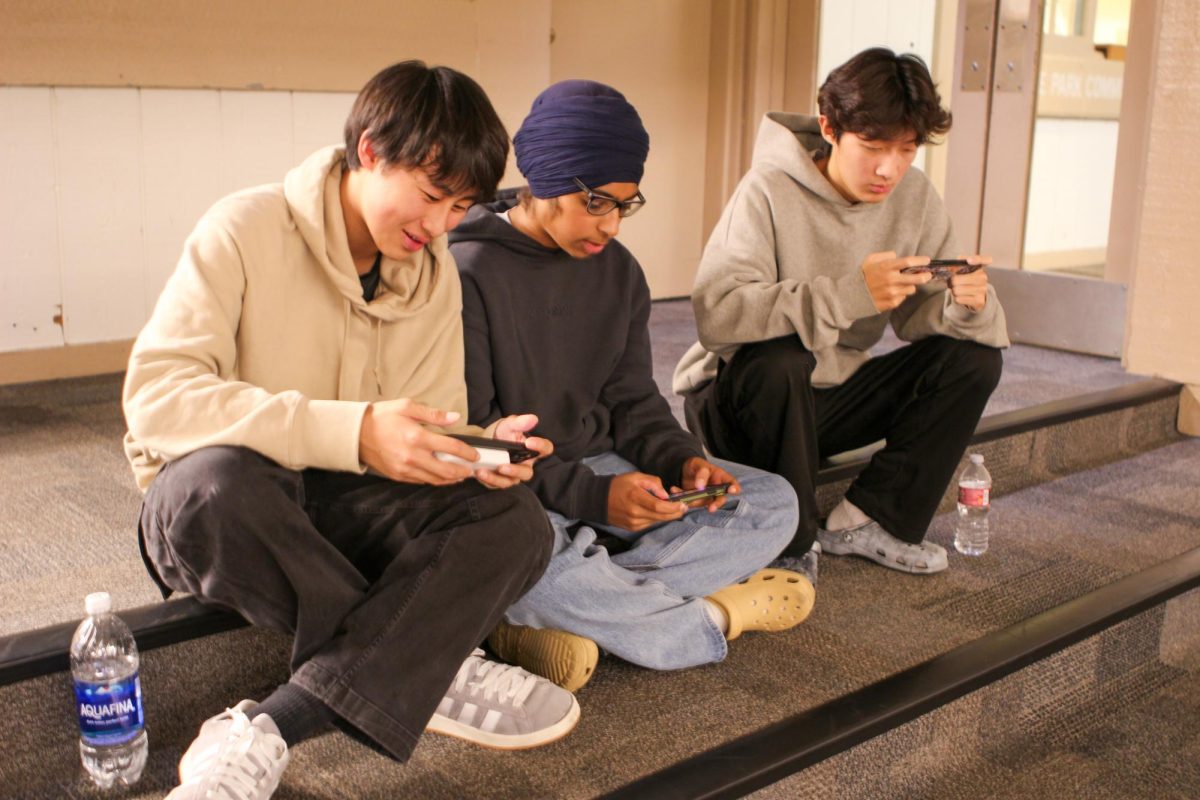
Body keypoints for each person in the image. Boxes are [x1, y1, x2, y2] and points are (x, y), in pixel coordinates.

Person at [124, 61, 578, 800]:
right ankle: (428, 657)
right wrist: (352, 431)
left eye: (461, 207)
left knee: (517, 523)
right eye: (431, 196)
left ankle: (264, 728)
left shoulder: (433, 273)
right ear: (370, 150)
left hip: (346, 505)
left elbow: (419, 428)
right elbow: (157, 400)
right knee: (216, 485)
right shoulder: (244, 227)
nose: (439, 226)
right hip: (223, 508)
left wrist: (471, 453)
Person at [448, 80, 811, 691]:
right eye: (596, 202)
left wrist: (684, 460)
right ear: (544, 178)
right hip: (517, 485)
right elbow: (480, 437)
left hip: (606, 466)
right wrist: (593, 499)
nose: (612, 225)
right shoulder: (468, 271)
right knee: (528, 555)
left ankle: (552, 612)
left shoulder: (619, 273)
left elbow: (634, 400)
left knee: (774, 503)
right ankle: (714, 616)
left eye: (625, 204)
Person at [674, 48, 1008, 579]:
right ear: (829, 128)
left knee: (973, 360)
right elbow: (718, 315)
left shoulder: (914, 196)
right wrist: (849, 294)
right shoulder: (767, 189)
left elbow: (918, 319)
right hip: (741, 402)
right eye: (873, 147)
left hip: (828, 400)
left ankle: (871, 518)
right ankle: (789, 539)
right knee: (781, 356)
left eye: (907, 148)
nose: (889, 168)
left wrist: (963, 303)